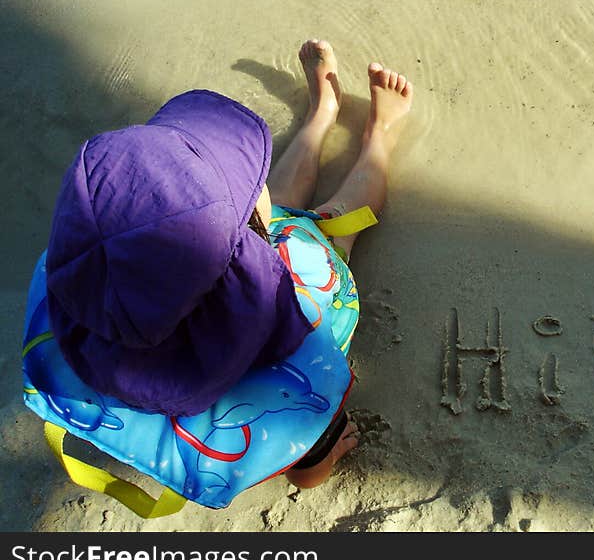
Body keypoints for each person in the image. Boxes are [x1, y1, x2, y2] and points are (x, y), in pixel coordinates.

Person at [43, 39, 413, 493]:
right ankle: (380, 137)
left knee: (270, 206)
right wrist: (315, 465)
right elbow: (306, 455)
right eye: (242, 176)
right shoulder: (290, 336)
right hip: (302, 289)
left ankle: (320, 120)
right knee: (334, 219)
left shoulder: (92, 311)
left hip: (196, 321)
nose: (250, 177)